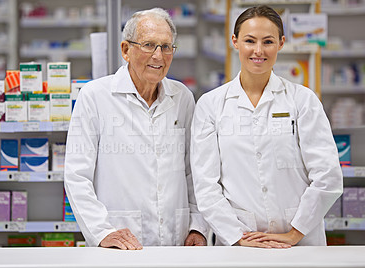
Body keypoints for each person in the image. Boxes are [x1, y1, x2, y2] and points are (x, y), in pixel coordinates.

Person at [190, 5, 343, 248]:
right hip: (238, 244)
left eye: (268, 41)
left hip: (300, 244)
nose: (258, 50)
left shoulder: (302, 100)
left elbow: (328, 176)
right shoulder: (211, 105)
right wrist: (238, 237)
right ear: (235, 41)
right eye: (250, 40)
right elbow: (206, 187)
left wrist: (295, 232)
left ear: (281, 43)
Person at [64, 7, 208, 249]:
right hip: (120, 243)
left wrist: (197, 227)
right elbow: (77, 175)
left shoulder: (182, 97)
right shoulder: (95, 96)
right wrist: (101, 232)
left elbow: (193, 171)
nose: (158, 56)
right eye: (149, 45)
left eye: (166, 46)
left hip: (178, 242)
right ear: (126, 50)